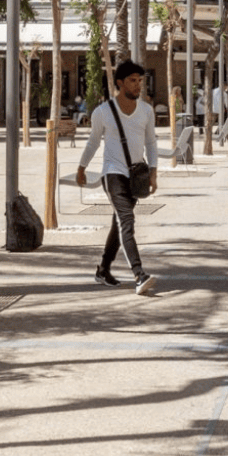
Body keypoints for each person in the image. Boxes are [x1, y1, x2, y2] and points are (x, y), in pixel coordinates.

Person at [76, 60, 158, 295]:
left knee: (119, 223)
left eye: (140, 80)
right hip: (112, 173)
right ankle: (139, 274)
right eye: (133, 81)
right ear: (120, 83)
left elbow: (151, 143)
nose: (138, 85)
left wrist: (153, 173)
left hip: (136, 175)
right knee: (126, 219)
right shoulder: (102, 112)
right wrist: (82, 168)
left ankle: (103, 270)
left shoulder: (146, 111)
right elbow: (93, 142)